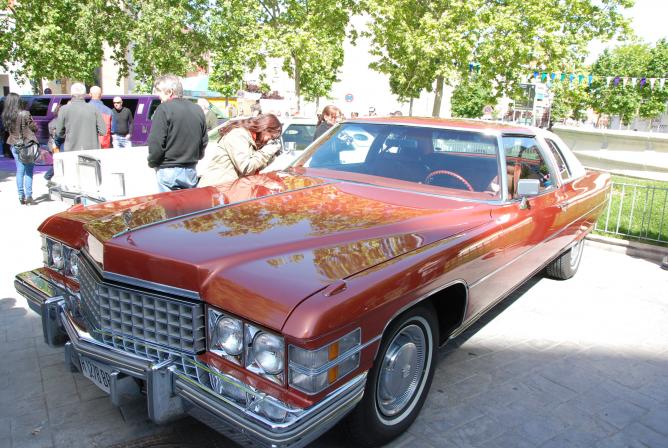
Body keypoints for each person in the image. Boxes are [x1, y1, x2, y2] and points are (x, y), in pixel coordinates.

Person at [147, 75, 207, 192]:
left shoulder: (163, 109)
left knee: (169, 204)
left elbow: (156, 142)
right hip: (190, 170)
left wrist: (152, 162)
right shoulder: (197, 110)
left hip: (168, 169)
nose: (159, 98)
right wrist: (195, 157)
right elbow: (203, 141)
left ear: (169, 92)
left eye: (160, 93)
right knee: (189, 203)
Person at [198, 114, 282, 187]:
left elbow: (254, 167)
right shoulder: (238, 135)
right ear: (264, 128)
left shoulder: (253, 140)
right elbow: (246, 168)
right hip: (215, 189)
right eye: (271, 137)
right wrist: (267, 151)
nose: (269, 140)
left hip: (230, 189)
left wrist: (271, 158)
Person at [2, 92, 38, 204]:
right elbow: (34, 128)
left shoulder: (6, 115)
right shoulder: (25, 113)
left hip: (14, 145)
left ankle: (20, 195)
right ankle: (29, 196)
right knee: (29, 171)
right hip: (27, 145)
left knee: (20, 170)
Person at [55, 83, 106, 152]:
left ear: (71, 94)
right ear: (85, 94)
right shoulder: (94, 109)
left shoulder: (64, 109)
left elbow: (59, 132)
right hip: (92, 150)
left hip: (71, 150)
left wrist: (69, 134)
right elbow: (103, 131)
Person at [44, 104, 63, 187]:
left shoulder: (52, 121)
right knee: (58, 162)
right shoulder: (58, 122)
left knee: (57, 162)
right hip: (55, 146)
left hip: (52, 145)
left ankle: (50, 178)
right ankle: (48, 176)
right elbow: (57, 136)